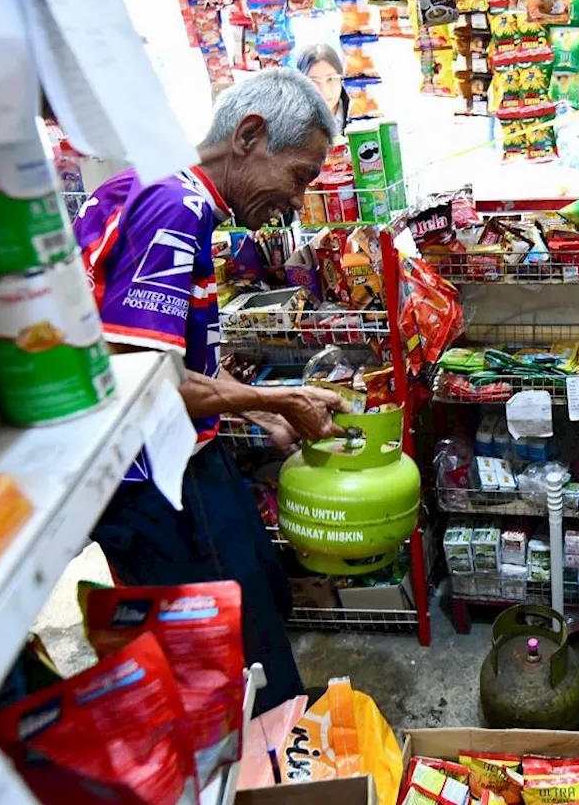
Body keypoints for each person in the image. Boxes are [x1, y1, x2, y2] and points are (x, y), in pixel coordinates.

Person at [73, 68, 343, 711]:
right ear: (250, 136)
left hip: (185, 457)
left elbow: (175, 358)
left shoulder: (160, 188)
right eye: (300, 176)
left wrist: (264, 418)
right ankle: (272, 772)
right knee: (231, 659)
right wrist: (275, 400)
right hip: (154, 483)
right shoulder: (177, 207)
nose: (299, 201)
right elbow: (143, 379)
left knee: (262, 603)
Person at [294, 44, 349, 135]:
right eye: (314, 82)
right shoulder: (293, 124)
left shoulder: (359, 112)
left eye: (330, 79)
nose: (324, 91)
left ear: (341, 78)